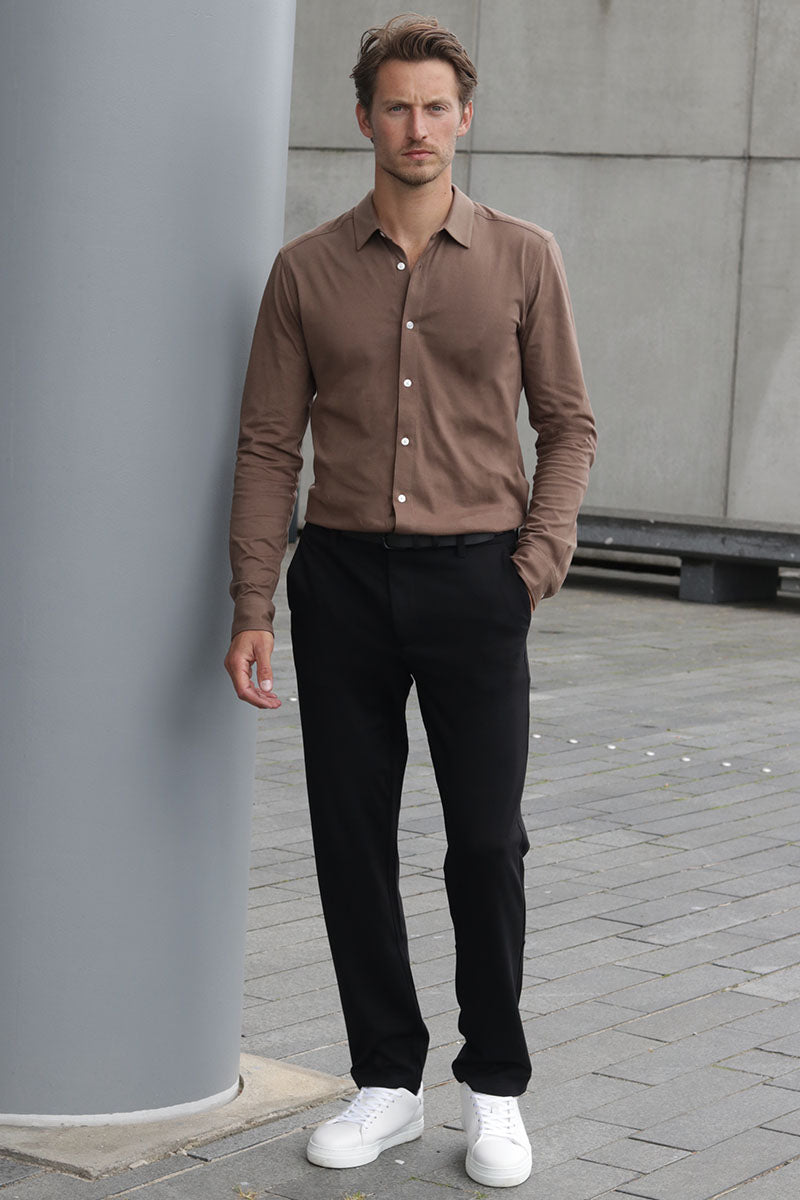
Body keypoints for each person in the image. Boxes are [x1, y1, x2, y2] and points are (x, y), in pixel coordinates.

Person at [225, 13, 596, 1189]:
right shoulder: (305, 271)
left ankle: (494, 1088)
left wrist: (531, 565)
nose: (416, 126)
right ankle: (385, 1081)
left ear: (463, 117)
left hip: (477, 580)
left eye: (435, 106)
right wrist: (252, 602)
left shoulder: (523, 257)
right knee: (352, 839)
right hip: (340, 581)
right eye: (396, 106)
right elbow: (268, 444)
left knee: (484, 842)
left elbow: (567, 425)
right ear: (363, 120)